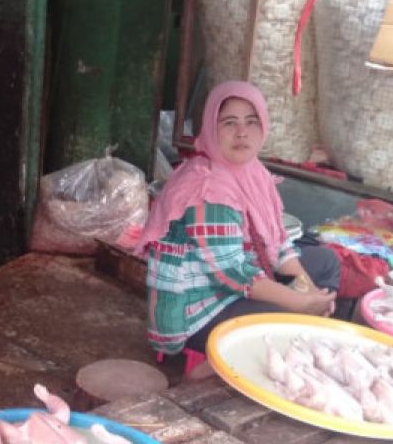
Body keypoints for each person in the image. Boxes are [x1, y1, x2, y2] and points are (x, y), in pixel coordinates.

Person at [134, 81, 341, 379]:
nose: (242, 133)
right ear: (210, 128)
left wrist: (306, 287)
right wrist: (298, 303)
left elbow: (277, 241)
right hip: (197, 313)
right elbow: (232, 273)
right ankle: (206, 369)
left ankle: (285, 328)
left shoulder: (252, 173)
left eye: (251, 121)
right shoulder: (207, 188)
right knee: (287, 323)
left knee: (326, 262)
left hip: (238, 287)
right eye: (229, 123)